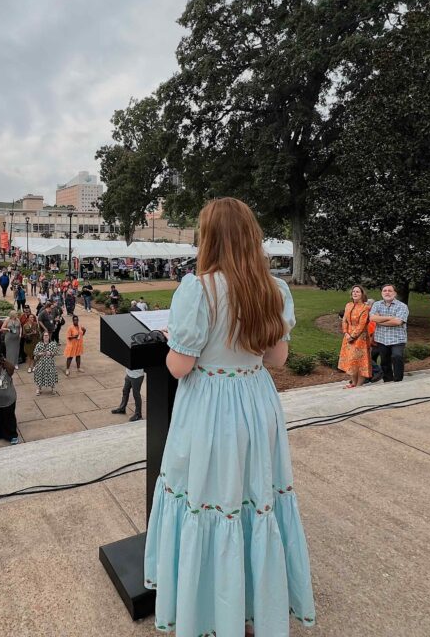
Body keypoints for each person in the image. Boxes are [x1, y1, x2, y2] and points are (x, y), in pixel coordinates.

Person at [143, 197, 314, 635]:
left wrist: (173, 343)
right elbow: (277, 358)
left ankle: (209, 608)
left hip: (210, 408)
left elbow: (180, 367)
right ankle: (256, 605)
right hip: (256, 404)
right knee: (252, 498)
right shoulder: (272, 290)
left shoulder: (197, 289)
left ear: (210, 239)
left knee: (208, 497)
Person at [370, 284, 409, 383]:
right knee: (384, 361)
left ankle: (398, 380)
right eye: (385, 291)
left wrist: (379, 320)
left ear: (395, 293)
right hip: (382, 338)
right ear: (382, 293)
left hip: (398, 338)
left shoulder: (402, 306)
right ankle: (388, 380)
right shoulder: (376, 304)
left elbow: (398, 322)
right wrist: (390, 317)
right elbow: (372, 318)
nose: (387, 292)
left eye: (390, 291)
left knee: (397, 356)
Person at [338, 285, 372, 389]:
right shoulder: (348, 305)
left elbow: (362, 324)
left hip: (360, 337)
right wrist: (346, 333)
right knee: (350, 360)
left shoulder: (365, 308)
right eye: (353, 292)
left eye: (357, 292)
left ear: (362, 294)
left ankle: (359, 384)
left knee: (359, 360)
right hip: (348, 336)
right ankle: (353, 382)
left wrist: (352, 336)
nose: (355, 293)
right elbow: (344, 320)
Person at [32, 330, 59, 395]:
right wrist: (40, 353)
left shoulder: (52, 344)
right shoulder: (39, 344)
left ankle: (52, 389)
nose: (46, 337)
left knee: (51, 375)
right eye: (45, 335)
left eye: (47, 335)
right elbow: (34, 352)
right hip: (41, 363)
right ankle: (38, 389)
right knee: (40, 375)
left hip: (50, 363)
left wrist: (51, 353)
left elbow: (56, 351)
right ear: (42, 336)